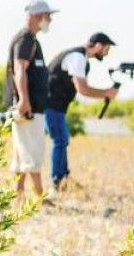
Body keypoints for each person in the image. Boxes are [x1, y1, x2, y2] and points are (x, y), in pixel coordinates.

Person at [45, 32, 118, 190]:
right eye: (107, 49)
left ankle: (63, 178)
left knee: (62, 139)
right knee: (60, 140)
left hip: (56, 106)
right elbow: (82, 89)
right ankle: (57, 181)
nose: (107, 53)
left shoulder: (81, 59)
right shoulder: (77, 58)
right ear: (98, 46)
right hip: (50, 105)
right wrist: (106, 93)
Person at [6, 0, 55, 202]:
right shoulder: (26, 40)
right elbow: (20, 70)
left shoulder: (31, 40)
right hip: (29, 107)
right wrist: (24, 100)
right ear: (37, 16)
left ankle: (18, 196)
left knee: (22, 154)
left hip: (30, 106)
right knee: (33, 152)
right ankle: (40, 197)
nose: (50, 20)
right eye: (47, 16)